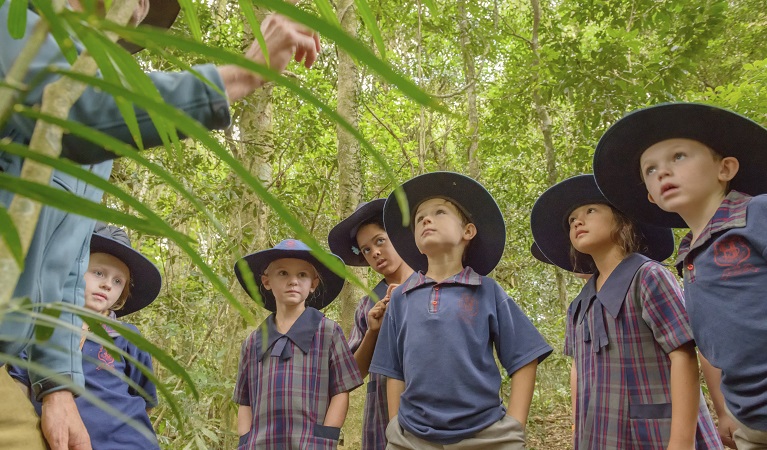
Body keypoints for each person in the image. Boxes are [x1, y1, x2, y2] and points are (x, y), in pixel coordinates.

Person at [0, 1, 320, 448]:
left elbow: (68, 263)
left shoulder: (99, 153)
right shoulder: (13, 24)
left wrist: (57, 388)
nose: (140, 8)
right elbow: (69, 109)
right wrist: (238, 75)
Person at [593, 102, 767, 449]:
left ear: (725, 168)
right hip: (751, 420)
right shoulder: (688, 257)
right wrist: (726, 410)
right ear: (650, 197)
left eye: (679, 157)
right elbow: (710, 342)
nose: (662, 172)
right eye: (650, 170)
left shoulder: (757, 213)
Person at [530, 174, 721, 449]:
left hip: (659, 434)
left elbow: (683, 355)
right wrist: (577, 434)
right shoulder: (579, 305)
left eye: (590, 211)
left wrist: (681, 441)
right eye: (572, 220)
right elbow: (577, 371)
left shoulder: (649, 276)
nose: (577, 221)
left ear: (623, 221)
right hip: (600, 436)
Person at [369, 171, 552, 449]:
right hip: (413, 437)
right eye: (419, 218)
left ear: (467, 231)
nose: (426, 219)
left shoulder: (487, 291)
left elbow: (524, 357)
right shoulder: (401, 299)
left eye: (439, 212)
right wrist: (395, 425)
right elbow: (394, 371)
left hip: (484, 434)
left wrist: (515, 425)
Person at [9, 223, 164, 449]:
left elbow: (145, 400)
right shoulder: (39, 326)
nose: (107, 284)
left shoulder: (128, 337)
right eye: (98, 272)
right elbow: (20, 387)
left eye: (117, 281)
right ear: (71, 272)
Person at [232, 239, 363, 449]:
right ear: (266, 282)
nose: (293, 281)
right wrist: (246, 441)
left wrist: (326, 438)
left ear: (313, 284)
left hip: (310, 444)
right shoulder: (253, 341)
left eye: (302, 275)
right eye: (283, 273)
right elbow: (245, 400)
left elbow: (340, 391)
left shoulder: (328, 332)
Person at [327, 199, 413, 450]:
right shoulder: (368, 306)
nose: (374, 253)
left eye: (379, 241)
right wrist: (373, 332)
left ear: (398, 236)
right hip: (382, 416)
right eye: (366, 250)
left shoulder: (433, 285)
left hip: (433, 409)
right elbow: (353, 373)